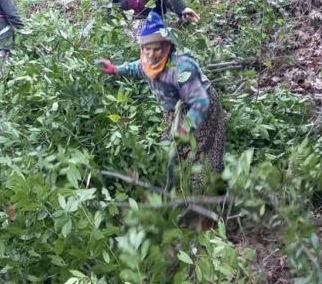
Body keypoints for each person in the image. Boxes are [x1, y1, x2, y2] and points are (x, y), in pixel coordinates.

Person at [96, 11, 225, 193]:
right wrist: (115, 69)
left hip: (201, 108)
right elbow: (135, 68)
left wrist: (186, 127)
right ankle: (175, 185)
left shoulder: (181, 67)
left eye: (157, 49)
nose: (151, 54)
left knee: (202, 153)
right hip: (175, 110)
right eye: (147, 49)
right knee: (170, 146)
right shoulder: (147, 63)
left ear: (167, 47)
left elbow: (201, 101)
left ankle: (204, 195)